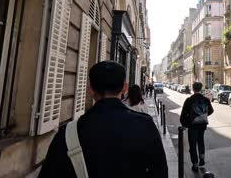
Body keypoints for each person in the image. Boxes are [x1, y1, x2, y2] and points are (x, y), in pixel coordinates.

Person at [39, 61, 168, 178]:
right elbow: (160, 173)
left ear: (90, 89)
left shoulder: (68, 133)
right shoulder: (145, 126)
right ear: (124, 88)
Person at [180, 82, 214, 172]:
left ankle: (195, 165)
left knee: (192, 145)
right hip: (202, 125)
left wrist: (185, 124)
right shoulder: (205, 100)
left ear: (193, 89)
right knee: (201, 142)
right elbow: (211, 110)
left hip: (192, 126)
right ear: (201, 88)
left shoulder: (189, 100)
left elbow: (183, 114)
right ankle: (202, 159)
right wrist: (203, 116)